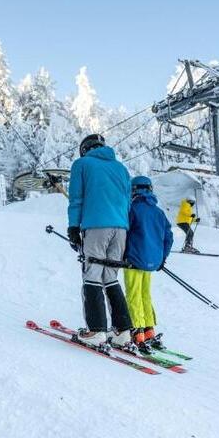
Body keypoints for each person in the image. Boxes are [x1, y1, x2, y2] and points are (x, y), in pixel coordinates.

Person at [67, 134, 134, 348]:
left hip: (96, 226)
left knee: (92, 275)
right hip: (121, 228)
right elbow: (128, 203)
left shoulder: (81, 164)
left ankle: (96, 331)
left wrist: (73, 227)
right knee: (111, 277)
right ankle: (123, 331)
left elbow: (76, 199)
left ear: (84, 149)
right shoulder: (121, 169)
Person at [124, 176, 173, 353]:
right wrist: (162, 258)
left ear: (134, 190)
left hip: (134, 260)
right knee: (145, 294)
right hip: (152, 262)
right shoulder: (159, 212)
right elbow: (169, 237)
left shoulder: (132, 209)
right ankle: (149, 329)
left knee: (133, 294)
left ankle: (136, 330)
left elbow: (124, 232)